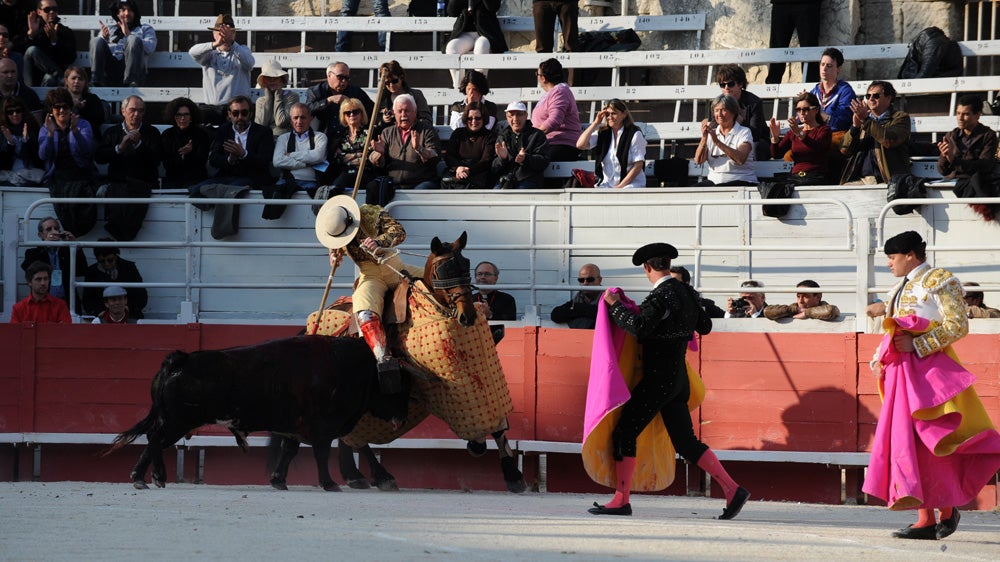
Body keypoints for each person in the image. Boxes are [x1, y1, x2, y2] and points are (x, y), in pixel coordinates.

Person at [590, 242, 749, 519]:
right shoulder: (686, 292)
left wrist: (615, 306)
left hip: (658, 378)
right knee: (685, 442)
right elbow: (705, 326)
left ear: (647, 268)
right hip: (679, 380)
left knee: (625, 432)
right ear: (667, 264)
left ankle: (621, 499)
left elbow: (638, 328)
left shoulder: (661, 296)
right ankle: (732, 488)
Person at [864, 230, 1000, 540]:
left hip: (930, 372)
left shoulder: (940, 279)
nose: (889, 264)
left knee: (935, 439)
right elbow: (892, 330)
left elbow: (958, 325)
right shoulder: (897, 288)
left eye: (892, 257)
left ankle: (947, 508)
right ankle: (924, 517)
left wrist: (920, 346)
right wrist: (879, 357)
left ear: (910, 255)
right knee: (908, 442)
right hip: (901, 372)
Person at [315, 195, 424, 386]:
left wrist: (379, 242)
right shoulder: (335, 231)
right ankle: (383, 357)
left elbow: (399, 231)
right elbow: (334, 250)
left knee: (438, 279)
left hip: (397, 268)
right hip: (371, 276)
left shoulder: (370, 212)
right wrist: (334, 257)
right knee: (364, 309)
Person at [94, 94, 161, 240]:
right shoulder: (112, 132)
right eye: (132, 110)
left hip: (142, 183)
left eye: (140, 111)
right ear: (123, 111)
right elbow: (99, 157)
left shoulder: (152, 132)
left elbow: (156, 160)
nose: (136, 114)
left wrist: (138, 145)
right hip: (118, 182)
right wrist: (120, 147)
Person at [38, 87, 98, 236]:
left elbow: (88, 150)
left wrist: (75, 131)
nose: (61, 110)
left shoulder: (82, 124)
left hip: (81, 173)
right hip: (58, 175)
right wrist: (51, 134)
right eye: (57, 107)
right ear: (51, 110)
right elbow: (43, 155)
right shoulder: (46, 127)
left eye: (65, 106)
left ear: (70, 108)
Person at [188, 14, 254, 125]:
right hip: (213, 109)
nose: (223, 36)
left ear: (234, 34)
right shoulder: (208, 54)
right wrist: (215, 44)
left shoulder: (242, 50)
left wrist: (232, 43)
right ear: (214, 34)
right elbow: (192, 52)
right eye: (220, 32)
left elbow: (250, 63)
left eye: (228, 32)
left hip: (238, 111)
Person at [841, 80, 910, 185]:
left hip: (886, 179)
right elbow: (844, 150)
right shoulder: (864, 119)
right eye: (868, 96)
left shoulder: (900, 118)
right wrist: (855, 127)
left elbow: (889, 140)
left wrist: (866, 120)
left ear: (889, 98)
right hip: (859, 179)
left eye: (876, 96)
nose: (871, 99)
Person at [368, 93, 441, 190]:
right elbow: (374, 161)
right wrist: (379, 153)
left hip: (421, 183)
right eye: (400, 111)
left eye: (407, 111)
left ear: (415, 112)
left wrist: (419, 149)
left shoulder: (426, 130)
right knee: (373, 188)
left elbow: (435, 156)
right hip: (393, 184)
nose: (403, 115)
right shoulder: (387, 132)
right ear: (394, 113)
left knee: (419, 191)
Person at [207, 95, 276, 190]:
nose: (240, 117)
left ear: (250, 114)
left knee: (231, 189)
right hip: (226, 177)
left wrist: (244, 154)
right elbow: (213, 159)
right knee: (197, 189)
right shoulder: (223, 130)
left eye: (244, 113)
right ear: (229, 114)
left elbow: (264, 161)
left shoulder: (263, 132)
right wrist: (230, 159)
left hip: (253, 178)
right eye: (235, 113)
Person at [576, 98, 646, 189]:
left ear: (624, 114)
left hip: (630, 184)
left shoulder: (634, 134)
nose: (610, 117)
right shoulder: (603, 133)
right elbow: (580, 145)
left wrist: (620, 187)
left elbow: (638, 165)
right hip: (607, 185)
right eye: (607, 114)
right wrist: (595, 123)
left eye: (614, 113)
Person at [20, 216, 87, 310]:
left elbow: (82, 270)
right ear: (41, 235)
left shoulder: (67, 251)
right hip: (43, 302)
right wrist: (46, 245)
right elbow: (29, 270)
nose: (53, 232)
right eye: (49, 229)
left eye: (56, 229)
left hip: (67, 303)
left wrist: (75, 246)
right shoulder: (33, 253)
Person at [767, 92, 832, 184]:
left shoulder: (824, 130)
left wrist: (799, 133)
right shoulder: (793, 132)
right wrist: (775, 138)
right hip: (796, 176)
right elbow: (776, 154)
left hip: (816, 176)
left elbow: (817, 147)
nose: (801, 113)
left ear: (816, 109)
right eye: (798, 109)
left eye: (805, 109)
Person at [89, 0, 156, 87]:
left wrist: (128, 34)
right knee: (96, 40)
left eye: (130, 10)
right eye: (123, 10)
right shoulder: (110, 29)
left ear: (135, 12)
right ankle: (96, 81)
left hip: (133, 72)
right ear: (117, 14)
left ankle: (131, 81)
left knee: (132, 39)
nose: (127, 13)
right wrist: (105, 39)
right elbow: (97, 49)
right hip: (110, 70)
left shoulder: (145, 29)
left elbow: (150, 48)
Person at [695, 94, 758, 187]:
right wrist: (704, 138)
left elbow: (740, 159)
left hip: (741, 180)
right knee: (693, 190)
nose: (719, 114)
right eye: (716, 110)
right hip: (714, 182)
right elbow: (699, 160)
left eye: (724, 110)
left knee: (719, 189)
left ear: (733, 112)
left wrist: (717, 142)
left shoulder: (744, 132)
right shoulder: (712, 133)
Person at [444, 0, 507, 90]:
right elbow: (452, 11)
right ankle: (460, 87)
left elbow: (493, 7)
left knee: (481, 46)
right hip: (465, 33)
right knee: (451, 47)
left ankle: (478, 88)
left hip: (486, 33)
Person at [714, 64, 768, 161]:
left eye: (730, 84)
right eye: (722, 85)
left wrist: (740, 121)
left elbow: (755, 134)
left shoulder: (754, 103)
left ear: (740, 84)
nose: (726, 88)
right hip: (728, 139)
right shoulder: (718, 102)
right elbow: (715, 126)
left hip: (753, 142)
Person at [937, 94, 998, 180]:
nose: (960, 118)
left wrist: (953, 160)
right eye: (958, 113)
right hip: (953, 180)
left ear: (977, 115)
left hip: (975, 182)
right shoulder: (951, 135)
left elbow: (984, 166)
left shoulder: (988, 135)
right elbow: (943, 171)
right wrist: (944, 156)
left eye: (965, 114)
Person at [532, 58, 581, 163]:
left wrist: (532, 138)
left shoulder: (559, 92)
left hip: (561, 143)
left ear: (543, 78)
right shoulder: (553, 92)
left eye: (537, 74)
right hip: (549, 143)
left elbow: (554, 120)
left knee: (531, 161)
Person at [492, 101, 549, 189]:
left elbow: (544, 161)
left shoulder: (537, 135)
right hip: (504, 181)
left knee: (520, 194)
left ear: (526, 116)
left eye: (519, 114)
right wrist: (503, 159)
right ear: (507, 117)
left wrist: (526, 158)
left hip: (529, 180)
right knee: (494, 197)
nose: (515, 119)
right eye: (511, 115)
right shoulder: (502, 136)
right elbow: (494, 167)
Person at [272, 103, 327, 193]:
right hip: (286, 182)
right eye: (295, 118)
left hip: (311, 184)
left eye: (303, 117)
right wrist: (305, 164)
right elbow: (277, 161)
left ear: (310, 119)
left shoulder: (320, 137)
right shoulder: (283, 138)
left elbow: (318, 156)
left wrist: (290, 155)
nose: (299, 121)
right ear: (290, 120)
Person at [305, 62, 374, 133]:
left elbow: (373, 110)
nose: (344, 81)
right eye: (340, 77)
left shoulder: (355, 92)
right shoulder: (316, 91)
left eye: (347, 78)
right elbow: (306, 110)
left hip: (347, 135)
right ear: (329, 75)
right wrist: (328, 100)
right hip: (324, 135)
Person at [82, 242, 146, 318]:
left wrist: (129, 308)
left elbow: (141, 296)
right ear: (97, 259)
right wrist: (98, 312)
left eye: (110, 260)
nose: (107, 264)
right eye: (102, 261)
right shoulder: (92, 272)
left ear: (116, 256)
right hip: (103, 315)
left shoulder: (129, 268)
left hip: (129, 314)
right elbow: (87, 300)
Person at [442, 101, 496, 189]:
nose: (474, 121)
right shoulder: (458, 133)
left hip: (479, 175)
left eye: (478, 118)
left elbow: (486, 160)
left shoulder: (490, 136)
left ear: (484, 118)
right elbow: (449, 156)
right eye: (470, 118)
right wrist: (458, 168)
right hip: (457, 173)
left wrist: (468, 170)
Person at [160, 97, 210, 190]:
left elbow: (201, 162)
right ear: (174, 116)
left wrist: (190, 153)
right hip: (173, 180)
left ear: (191, 116)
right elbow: (167, 164)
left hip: (196, 181)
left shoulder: (201, 134)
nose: (182, 118)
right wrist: (182, 156)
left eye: (186, 114)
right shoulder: (167, 135)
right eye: (179, 115)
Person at [765, 0, 820, 84]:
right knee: (777, 49)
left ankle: (811, 92)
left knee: (809, 49)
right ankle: (771, 90)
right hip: (780, 4)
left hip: (808, 4)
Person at [22, 0, 75, 87]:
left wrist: (54, 41)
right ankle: (59, 75)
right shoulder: (31, 29)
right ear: (39, 12)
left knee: (49, 78)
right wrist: (31, 35)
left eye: (55, 9)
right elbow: (22, 55)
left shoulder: (65, 32)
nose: (51, 12)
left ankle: (58, 75)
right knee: (31, 50)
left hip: (52, 79)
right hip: (32, 77)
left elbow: (70, 58)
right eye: (47, 9)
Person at [327, 98, 373, 191]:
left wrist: (347, 157)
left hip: (364, 176)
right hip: (342, 174)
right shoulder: (339, 136)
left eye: (355, 112)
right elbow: (336, 159)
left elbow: (368, 159)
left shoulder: (370, 133)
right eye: (347, 113)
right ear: (343, 116)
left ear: (362, 113)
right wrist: (359, 154)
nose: (351, 115)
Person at [373, 61, 432, 132]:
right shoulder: (381, 98)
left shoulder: (416, 95)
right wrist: (383, 120)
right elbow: (374, 122)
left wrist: (410, 120)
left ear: (401, 77)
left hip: (413, 135)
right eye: (387, 83)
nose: (391, 85)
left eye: (394, 81)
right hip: (390, 139)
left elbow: (427, 120)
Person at [808, 48, 856, 134]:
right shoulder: (815, 91)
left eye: (829, 66)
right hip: (815, 136)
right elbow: (800, 119)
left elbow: (843, 123)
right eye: (822, 64)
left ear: (838, 68)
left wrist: (820, 113)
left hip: (835, 137)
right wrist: (803, 105)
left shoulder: (845, 91)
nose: (824, 68)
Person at [0, 95, 42, 185]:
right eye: (10, 112)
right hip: (8, 177)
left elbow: (39, 160)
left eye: (18, 111)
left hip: (30, 175)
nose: (15, 114)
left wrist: (26, 141)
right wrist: (10, 143)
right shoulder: (2, 131)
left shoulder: (32, 128)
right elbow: (3, 164)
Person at [254, 59, 298, 138]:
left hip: (284, 138)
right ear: (264, 81)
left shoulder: (291, 97)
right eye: (268, 78)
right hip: (265, 139)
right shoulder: (260, 101)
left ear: (281, 79)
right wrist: (268, 99)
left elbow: (281, 122)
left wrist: (278, 96)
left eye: (275, 77)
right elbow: (260, 125)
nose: (272, 80)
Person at [551, 263, 602, 329]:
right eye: (581, 280)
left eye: (590, 279)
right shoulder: (578, 297)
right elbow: (555, 315)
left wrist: (577, 309)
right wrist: (580, 310)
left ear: (600, 280)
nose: (585, 283)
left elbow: (606, 316)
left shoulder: (607, 298)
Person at [762, 279, 840, 321]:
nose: (800, 301)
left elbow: (831, 311)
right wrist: (794, 309)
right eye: (798, 296)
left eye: (805, 297)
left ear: (818, 297)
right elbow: (767, 311)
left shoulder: (825, 307)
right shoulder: (793, 308)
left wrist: (807, 313)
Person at [64, 66, 105, 134]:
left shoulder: (93, 99)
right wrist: (71, 106)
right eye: (73, 78)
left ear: (85, 82)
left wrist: (83, 109)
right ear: (66, 81)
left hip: (88, 135)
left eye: (80, 79)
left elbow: (99, 120)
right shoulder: (60, 98)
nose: (77, 81)